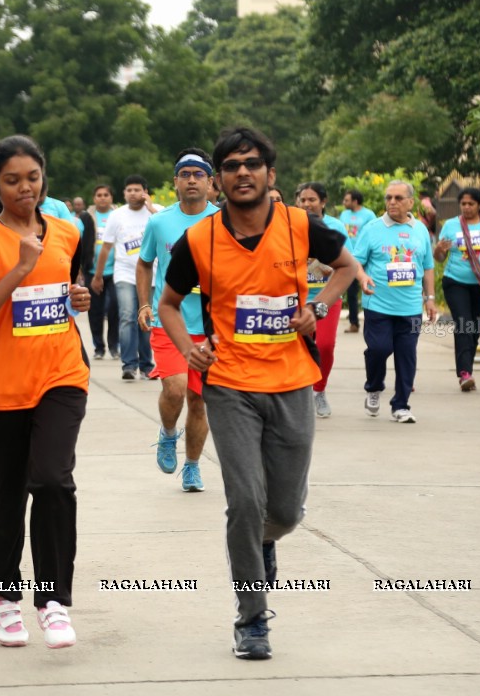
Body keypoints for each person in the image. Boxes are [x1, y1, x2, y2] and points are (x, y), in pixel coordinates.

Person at [159, 126, 354, 660]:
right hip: (230, 385)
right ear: (219, 180)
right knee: (245, 502)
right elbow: (169, 303)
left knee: (284, 512)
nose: (242, 172)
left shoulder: (299, 226)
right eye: (231, 165)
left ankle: (263, 543)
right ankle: (251, 618)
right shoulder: (199, 239)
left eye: (252, 164)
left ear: (271, 173)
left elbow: (347, 269)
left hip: (292, 381)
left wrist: (316, 306)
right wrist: (190, 348)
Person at [0, 135, 91, 649]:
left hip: (62, 375)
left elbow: (71, 291)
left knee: (53, 481)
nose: (24, 188)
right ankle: (7, 597)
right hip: (3, 388)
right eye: (12, 180)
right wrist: (18, 269)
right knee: (8, 495)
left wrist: (79, 297)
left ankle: (53, 601)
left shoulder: (68, 231)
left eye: (32, 177)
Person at [136, 150, 218, 491]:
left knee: (200, 401)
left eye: (199, 174)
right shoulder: (159, 222)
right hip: (170, 322)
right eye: (185, 174)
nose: (192, 180)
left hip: (212, 328)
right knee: (176, 388)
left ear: (211, 183)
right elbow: (144, 263)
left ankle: (193, 465)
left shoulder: (223, 222)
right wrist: (144, 304)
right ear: (175, 183)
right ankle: (169, 432)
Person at [354, 180, 438, 423]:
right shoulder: (372, 229)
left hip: (410, 306)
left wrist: (430, 299)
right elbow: (355, 261)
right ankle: (373, 386)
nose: (392, 202)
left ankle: (400, 405)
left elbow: (428, 266)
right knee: (379, 349)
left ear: (410, 202)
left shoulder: (420, 230)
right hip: (377, 304)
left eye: (398, 198)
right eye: (389, 197)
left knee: (406, 355)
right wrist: (362, 277)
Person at [434, 187, 480, 392]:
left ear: (479, 205)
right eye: (463, 204)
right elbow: (439, 257)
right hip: (456, 282)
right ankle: (464, 374)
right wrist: (439, 251)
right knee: (463, 324)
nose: (467, 207)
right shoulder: (451, 226)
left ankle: (466, 369)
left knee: (475, 329)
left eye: (471, 204)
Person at [295, 182, 349, 418]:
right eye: (303, 200)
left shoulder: (335, 226)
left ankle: (319, 390)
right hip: (295, 299)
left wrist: (316, 265)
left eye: (312, 200)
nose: (307, 204)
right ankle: (299, 393)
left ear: (323, 202)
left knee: (325, 346)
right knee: (298, 349)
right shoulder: (290, 223)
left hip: (328, 296)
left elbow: (343, 263)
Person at [93, 175, 155, 380]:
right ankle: (129, 365)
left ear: (145, 192)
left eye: (137, 190)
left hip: (150, 276)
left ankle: (147, 366)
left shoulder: (157, 213)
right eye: (129, 190)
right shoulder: (117, 215)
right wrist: (98, 275)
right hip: (125, 275)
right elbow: (106, 247)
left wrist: (152, 209)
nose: (133, 193)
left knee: (146, 319)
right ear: (124, 194)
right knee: (128, 316)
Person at [86, 184, 119, 360]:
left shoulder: (119, 216)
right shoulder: (87, 217)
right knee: (95, 311)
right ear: (94, 198)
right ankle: (99, 347)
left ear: (111, 197)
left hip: (115, 271)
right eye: (99, 195)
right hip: (92, 271)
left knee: (115, 308)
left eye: (106, 194)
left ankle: (114, 346)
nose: (103, 198)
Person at [339, 189, 376, 334]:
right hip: (349, 257)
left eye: (347, 200)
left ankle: (373, 321)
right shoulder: (344, 214)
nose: (344, 202)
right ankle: (354, 323)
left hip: (365, 258)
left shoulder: (369, 215)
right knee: (352, 293)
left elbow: (373, 234)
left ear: (355, 201)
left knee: (370, 289)